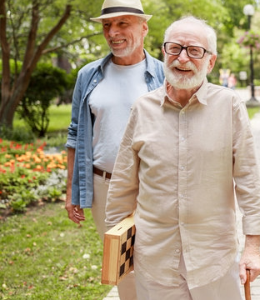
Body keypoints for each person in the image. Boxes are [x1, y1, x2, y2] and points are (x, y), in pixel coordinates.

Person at [105, 16, 260, 299]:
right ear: (164, 52)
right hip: (154, 261)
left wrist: (252, 247)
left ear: (210, 61)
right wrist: (117, 245)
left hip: (213, 260)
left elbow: (249, 180)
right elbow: (122, 183)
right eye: (175, 48)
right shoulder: (142, 109)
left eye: (194, 50)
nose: (182, 58)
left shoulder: (230, 106)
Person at [64, 0, 164, 298]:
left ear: (144, 28)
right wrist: (72, 191)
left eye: (123, 23)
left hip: (154, 184)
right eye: (108, 25)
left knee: (160, 261)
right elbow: (74, 134)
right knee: (123, 265)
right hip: (104, 187)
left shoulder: (165, 74)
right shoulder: (88, 75)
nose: (113, 32)